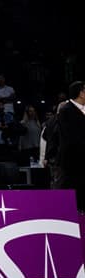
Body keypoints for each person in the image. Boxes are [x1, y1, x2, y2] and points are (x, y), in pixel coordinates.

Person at [55, 81, 85, 212]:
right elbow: (70, 136)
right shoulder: (66, 110)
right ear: (80, 93)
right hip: (72, 159)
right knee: (71, 191)